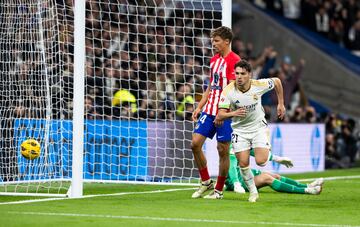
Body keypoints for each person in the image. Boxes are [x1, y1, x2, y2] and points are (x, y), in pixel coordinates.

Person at [217, 59, 286, 202]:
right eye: (236, 74)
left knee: (261, 161)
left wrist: (281, 104)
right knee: (243, 163)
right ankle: (253, 192)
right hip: (239, 131)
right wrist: (233, 114)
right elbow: (220, 115)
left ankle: (267, 148)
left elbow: (277, 81)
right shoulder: (228, 91)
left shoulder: (258, 85)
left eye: (242, 74)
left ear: (249, 74)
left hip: (258, 128)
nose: (239, 77)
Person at [191, 26, 241, 199]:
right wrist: (199, 106)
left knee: (222, 150)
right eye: (213, 40)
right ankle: (206, 182)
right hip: (210, 109)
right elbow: (211, 86)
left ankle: (218, 190)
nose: (213, 44)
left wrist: (224, 111)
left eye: (217, 40)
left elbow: (233, 89)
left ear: (227, 41)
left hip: (224, 112)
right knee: (195, 143)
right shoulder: (214, 61)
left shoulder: (235, 60)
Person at [225, 150, 323, 195]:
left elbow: (258, 154)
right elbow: (231, 167)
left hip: (244, 173)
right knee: (266, 178)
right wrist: (236, 184)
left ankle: (307, 186)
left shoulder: (240, 141)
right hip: (238, 180)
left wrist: (279, 159)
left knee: (274, 175)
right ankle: (306, 191)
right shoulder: (231, 146)